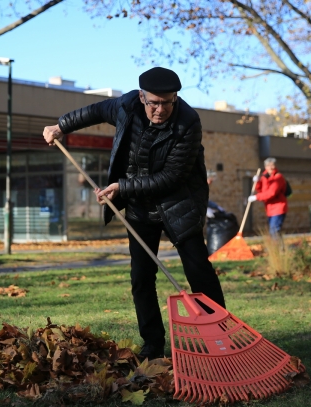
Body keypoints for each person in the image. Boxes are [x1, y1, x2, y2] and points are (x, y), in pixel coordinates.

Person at [43, 67, 226, 360]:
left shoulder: (188, 122)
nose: (160, 109)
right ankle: (152, 345)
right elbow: (94, 111)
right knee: (141, 277)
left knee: (199, 272)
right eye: (154, 102)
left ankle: (220, 338)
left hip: (178, 203)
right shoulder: (126, 105)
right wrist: (61, 126)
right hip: (140, 208)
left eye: (168, 102)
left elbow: (172, 176)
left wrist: (122, 188)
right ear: (141, 97)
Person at [248, 158, 288, 237]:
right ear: (265, 167)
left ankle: (276, 248)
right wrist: (258, 181)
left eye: (272, 165)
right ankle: (281, 248)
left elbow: (271, 193)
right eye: (268, 166)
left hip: (278, 208)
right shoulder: (264, 176)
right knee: (274, 231)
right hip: (270, 208)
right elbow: (261, 191)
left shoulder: (278, 177)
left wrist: (256, 197)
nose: (270, 167)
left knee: (274, 230)